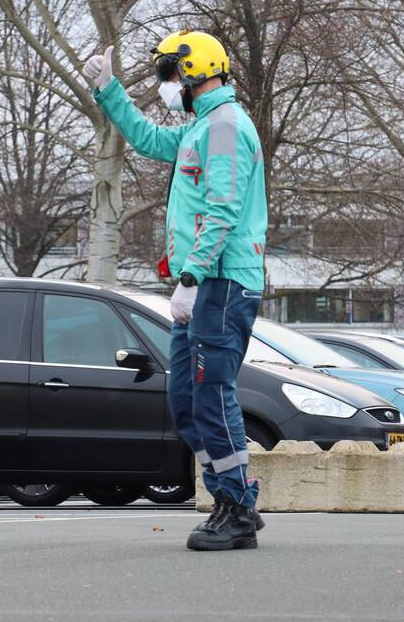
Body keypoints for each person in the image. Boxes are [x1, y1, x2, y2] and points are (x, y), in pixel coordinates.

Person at [83, 30, 268, 551]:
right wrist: (108, 90)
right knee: (185, 400)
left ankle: (236, 507)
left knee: (212, 395)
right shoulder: (201, 127)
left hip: (220, 283)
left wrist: (191, 278)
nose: (164, 84)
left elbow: (225, 210)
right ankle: (230, 501)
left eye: (167, 73)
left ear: (193, 71)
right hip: (202, 284)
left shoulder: (227, 127)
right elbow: (145, 139)